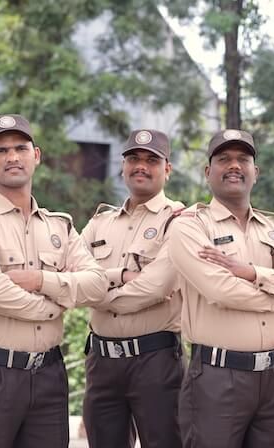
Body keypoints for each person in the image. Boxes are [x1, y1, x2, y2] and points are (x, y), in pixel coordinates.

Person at [0, 114, 107, 448]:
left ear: (36, 156)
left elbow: (96, 284)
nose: (12, 157)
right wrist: (54, 306)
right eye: (1, 150)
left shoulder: (59, 227)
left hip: (49, 376)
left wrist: (40, 280)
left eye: (20, 148)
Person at [168, 129, 274, 448]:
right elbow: (220, 290)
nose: (234, 166)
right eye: (224, 159)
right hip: (217, 377)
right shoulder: (190, 225)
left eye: (243, 159)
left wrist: (253, 273)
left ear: (256, 171)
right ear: (208, 171)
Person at [78, 129, 185, 448]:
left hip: (156, 361)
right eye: (134, 159)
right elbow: (71, 279)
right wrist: (121, 275)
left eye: (152, 160)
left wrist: (96, 292)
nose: (141, 166)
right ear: (123, 166)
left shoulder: (180, 221)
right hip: (101, 362)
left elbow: (155, 287)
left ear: (167, 169)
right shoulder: (99, 223)